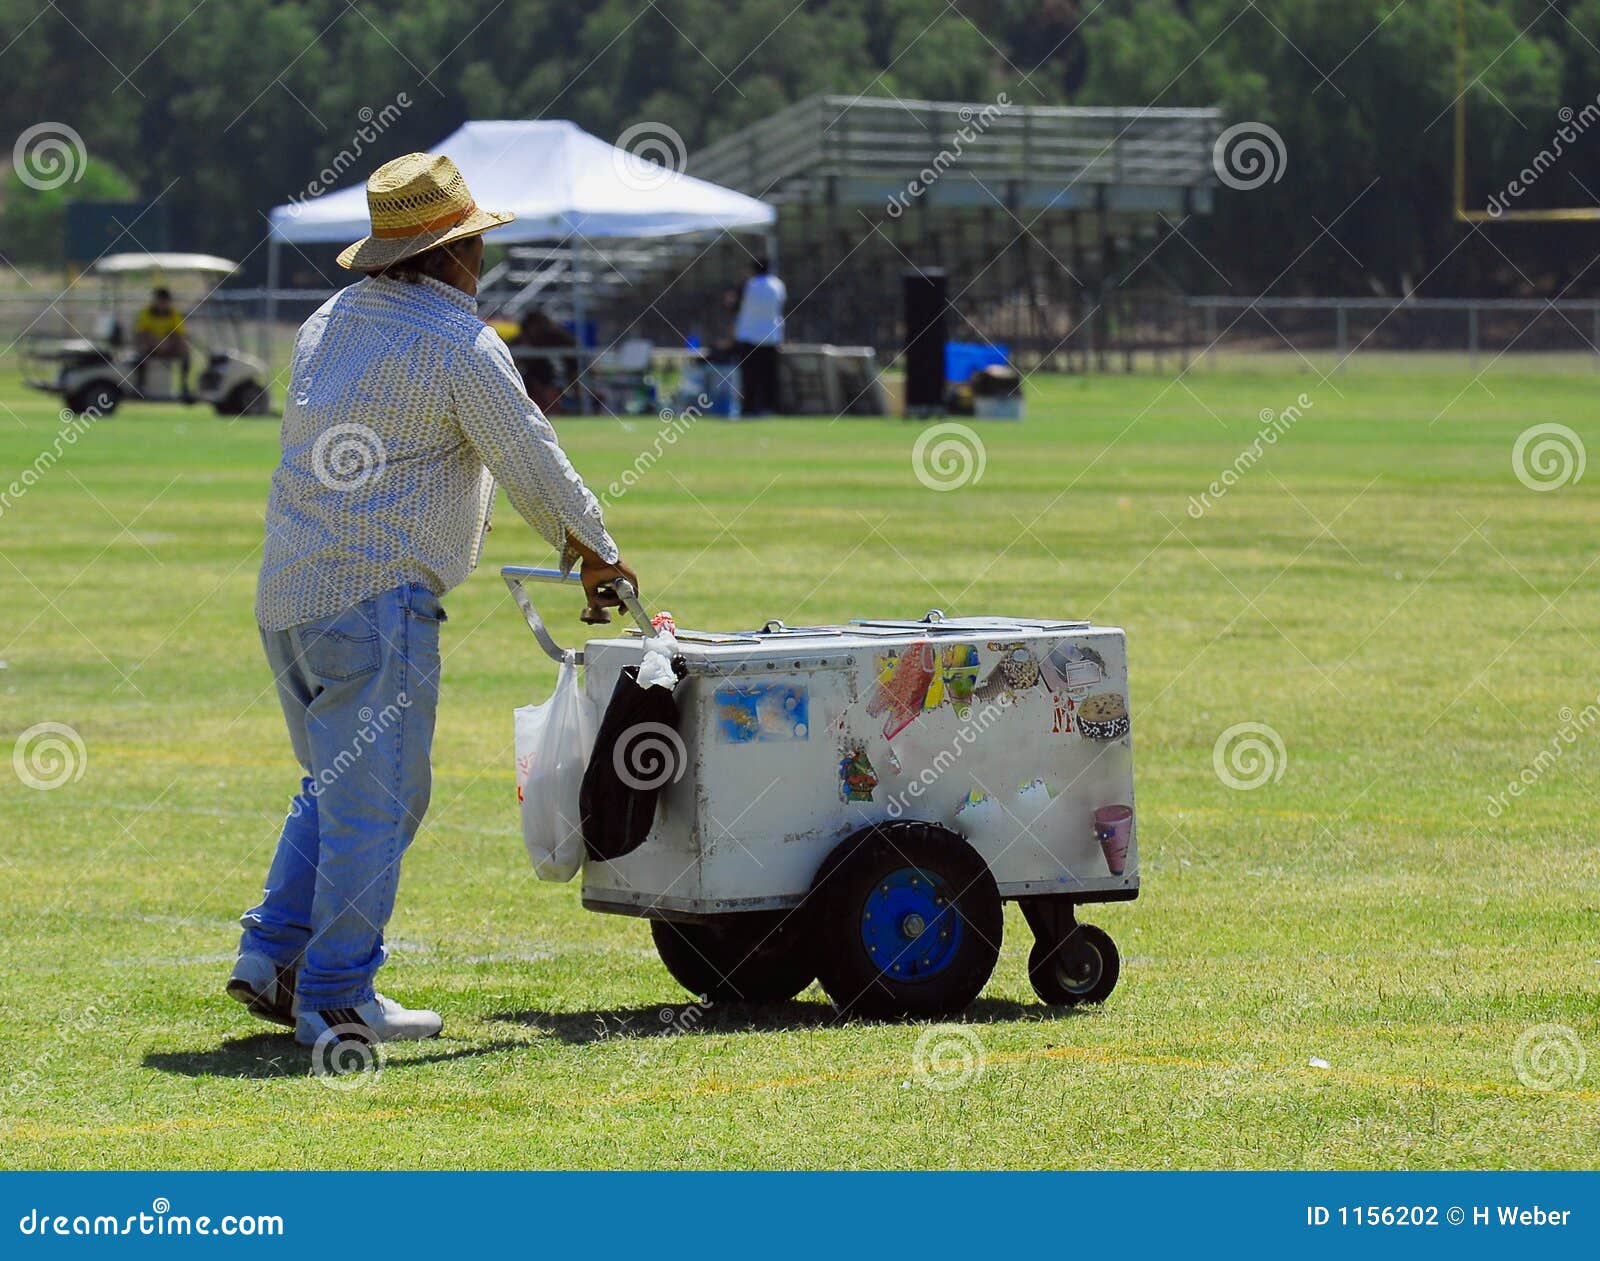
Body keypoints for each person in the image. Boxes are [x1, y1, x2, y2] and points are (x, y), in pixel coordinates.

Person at [229, 153, 636, 1049]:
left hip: (290, 593)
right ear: (454, 254)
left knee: (333, 788)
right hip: (375, 602)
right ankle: (334, 997)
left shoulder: (331, 321)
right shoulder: (457, 339)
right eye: (476, 243)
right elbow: (529, 455)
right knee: (382, 800)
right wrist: (598, 551)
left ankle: (271, 957)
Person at [733, 257, 785, 416]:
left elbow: (735, 306)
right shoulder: (778, 285)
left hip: (748, 336)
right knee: (769, 376)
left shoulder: (749, 285)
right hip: (771, 336)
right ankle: (770, 408)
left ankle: (748, 408)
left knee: (749, 377)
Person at [508, 306, 578, 413]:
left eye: (539, 325)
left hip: (562, 379)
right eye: (532, 326)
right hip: (535, 381)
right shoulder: (522, 340)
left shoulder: (559, 338)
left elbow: (575, 365)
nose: (536, 330)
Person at [132, 286, 191, 400]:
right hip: (150, 346)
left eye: (163, 301)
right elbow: (142, 333)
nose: (161, 304)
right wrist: (156, 343)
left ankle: (184, 385)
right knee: (141, 349)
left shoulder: (174, 314)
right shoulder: (146, 313)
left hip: (169, 346)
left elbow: (179, 334)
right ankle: (140, 385)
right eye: (158, 301)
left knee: (185, 351)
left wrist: (167, 343)